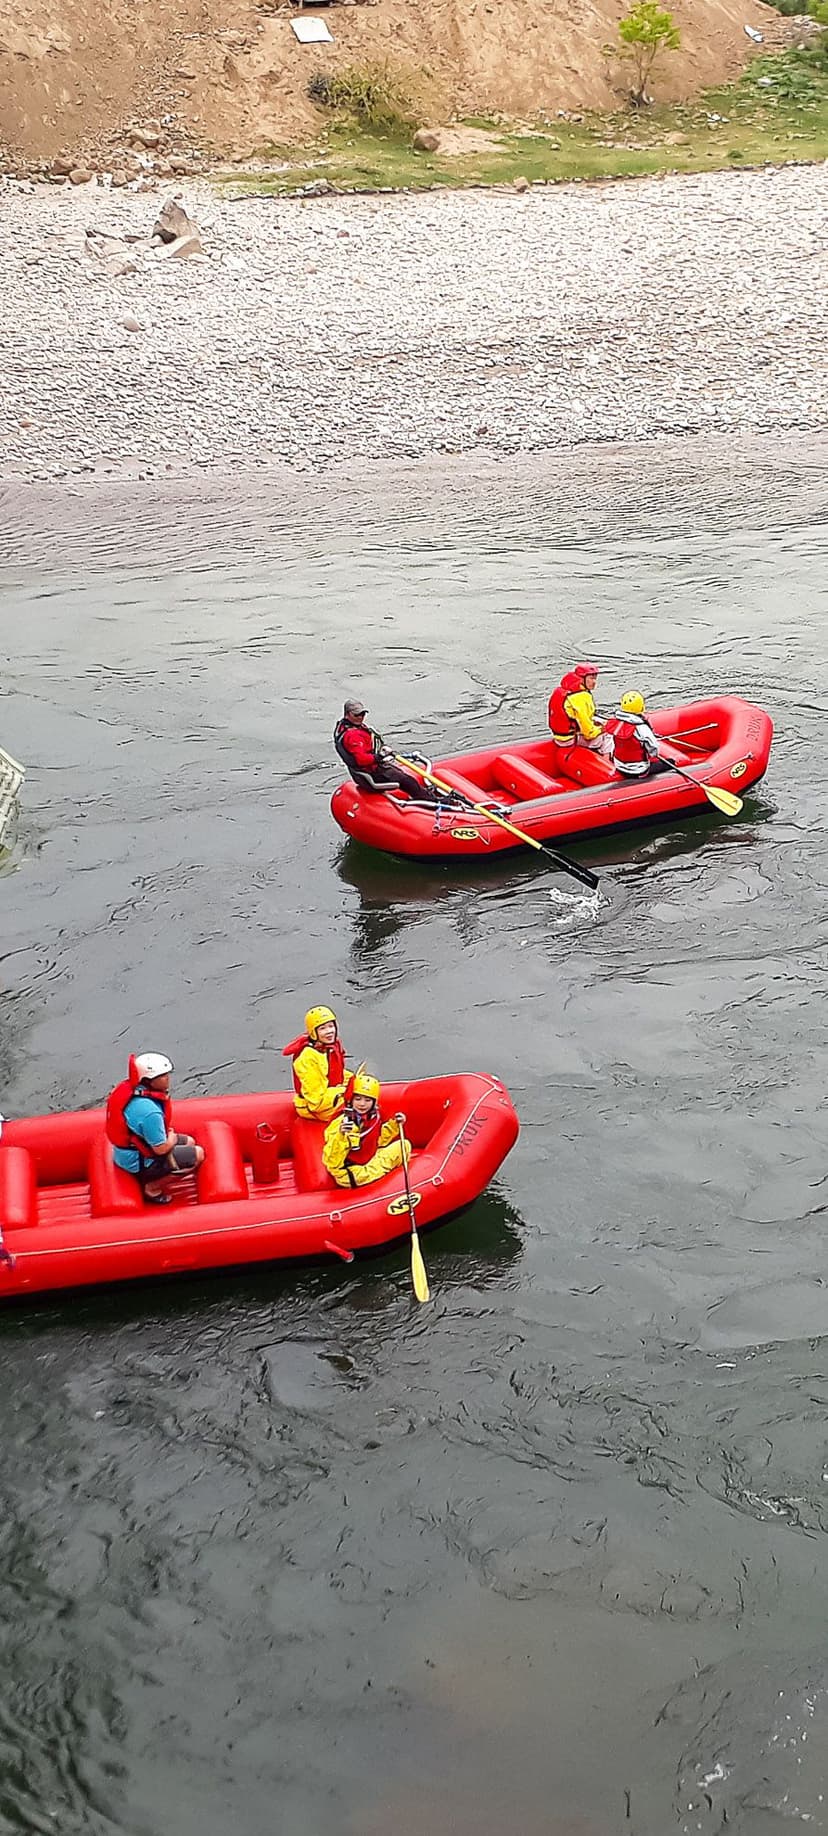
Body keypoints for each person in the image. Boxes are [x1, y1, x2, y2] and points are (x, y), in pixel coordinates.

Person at [105, 1052, 204, 1205]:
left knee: (189, 1142)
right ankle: (151, 1188)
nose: (167, 1078)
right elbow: (160, 1149)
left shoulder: (134, 1094)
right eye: (163, 1076)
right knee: (198, 1154)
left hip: (130, 1151)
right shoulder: (150, 1112)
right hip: (138, 1161)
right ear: (149, 1080)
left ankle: (166, 1171)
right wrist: (170, 1137)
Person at [333, 699, 450, 804]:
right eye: (357, 714)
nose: (361, 717)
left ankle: (422, 794)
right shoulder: (353, 735)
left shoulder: (343, 727)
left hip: (365, 771)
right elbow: (361, 759)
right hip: (371, 773)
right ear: (347, 715)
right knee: (407, 780)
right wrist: (379, 757)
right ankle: (431, 802)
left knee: (400, 773)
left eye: (363, 713)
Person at [322, 1071, 410, 1189]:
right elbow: (332, 1162)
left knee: (404, 1145)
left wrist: (395, 1124)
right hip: (351, 1172)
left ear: (373, 1102)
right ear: (351, 1100)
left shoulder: (372, 1117)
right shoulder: (342, 1123)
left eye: (367, 1100)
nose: (362, 1104)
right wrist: (341, 1135)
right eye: (358, 1099)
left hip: (367, 1159)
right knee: (398, 1155)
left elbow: (378, 1141)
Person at [283, 1005, 350, 1123]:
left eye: (331, 1026)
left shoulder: (332, 1045)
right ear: (314, 1033)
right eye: (322, 1028)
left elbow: (335, 1073)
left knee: (363, 1091)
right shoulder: (307, 1058)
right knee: (359, 1105)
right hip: (316, 1107)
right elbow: (316, 1101)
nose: (329, 1031)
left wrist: (353, 1081)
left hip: (330, 1094)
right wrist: (345, 1091)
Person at [548, 663, 614, 759]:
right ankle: (607, 763)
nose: (594, 682)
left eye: (595, 678)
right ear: (582, 679)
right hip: (570, 740)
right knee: (609, 733)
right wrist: (603, 729)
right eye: (591, 678)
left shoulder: (564, 690)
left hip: (560, 737)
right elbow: (589, 734)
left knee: (600, 721)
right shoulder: (581, 698)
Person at [604, 692, 673, 779]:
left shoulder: (616, 724)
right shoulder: (641, 728)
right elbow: (653, 748)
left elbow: (613, 745)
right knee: (671, 762)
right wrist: (652, 755)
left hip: (619, 766)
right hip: (638, 770)